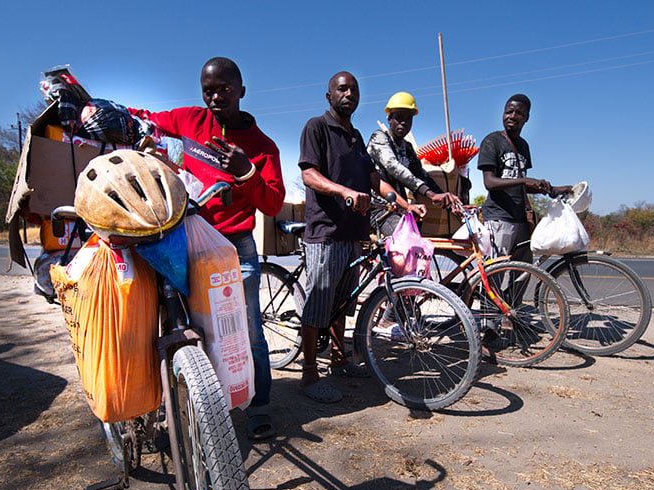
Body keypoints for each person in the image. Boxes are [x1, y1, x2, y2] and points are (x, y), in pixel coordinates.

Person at [130, 57, 284, 440]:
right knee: (183, 328)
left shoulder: (262, 147)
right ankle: (195, 405)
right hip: (186, 242)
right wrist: (100, 107)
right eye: (209, 90)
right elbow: (146, 119)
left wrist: (246, 172)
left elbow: (273, 203)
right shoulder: (190, 121)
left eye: (225, 89)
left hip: (234, 249)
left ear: (241, 91)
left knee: (247, 332)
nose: (216, 97)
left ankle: (259, 406)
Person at [297, 71, 400, 403]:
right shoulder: (316, 127)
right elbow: (309, 174)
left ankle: (340, 361)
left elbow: (373, 177)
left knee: (342, 303)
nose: (349, 93)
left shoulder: (356, 137)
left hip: (353, 233)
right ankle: (310, 373)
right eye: (342, 89)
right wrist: (343, 191)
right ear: (329, 96)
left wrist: (400, 199)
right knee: (319, 304)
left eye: (354, 89)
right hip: (326, 232)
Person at [478, 93, 571, 263]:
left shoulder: (523, 145)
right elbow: (489, 182)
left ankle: (509, 292)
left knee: (523, 271)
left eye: (519, 113)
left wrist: (552, 189)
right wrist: (524, 180)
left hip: (521, 218)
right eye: (509, 112)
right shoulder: (492, 141)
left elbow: (521, 186)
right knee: (494, 274)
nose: (512, 116)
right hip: (499, 218)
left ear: (526, 118)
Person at [367, 91, 460, 234]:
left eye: (408, 118)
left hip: (399, 207)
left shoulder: (407, 147)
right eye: (398, 117)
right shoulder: (378, 138)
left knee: (420, 242)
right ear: (389, 118)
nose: (403, 122)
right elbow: (394, 167)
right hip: (379, 208)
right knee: (407, 238)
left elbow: (421, 175)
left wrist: (444, 197)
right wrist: (430, 194)